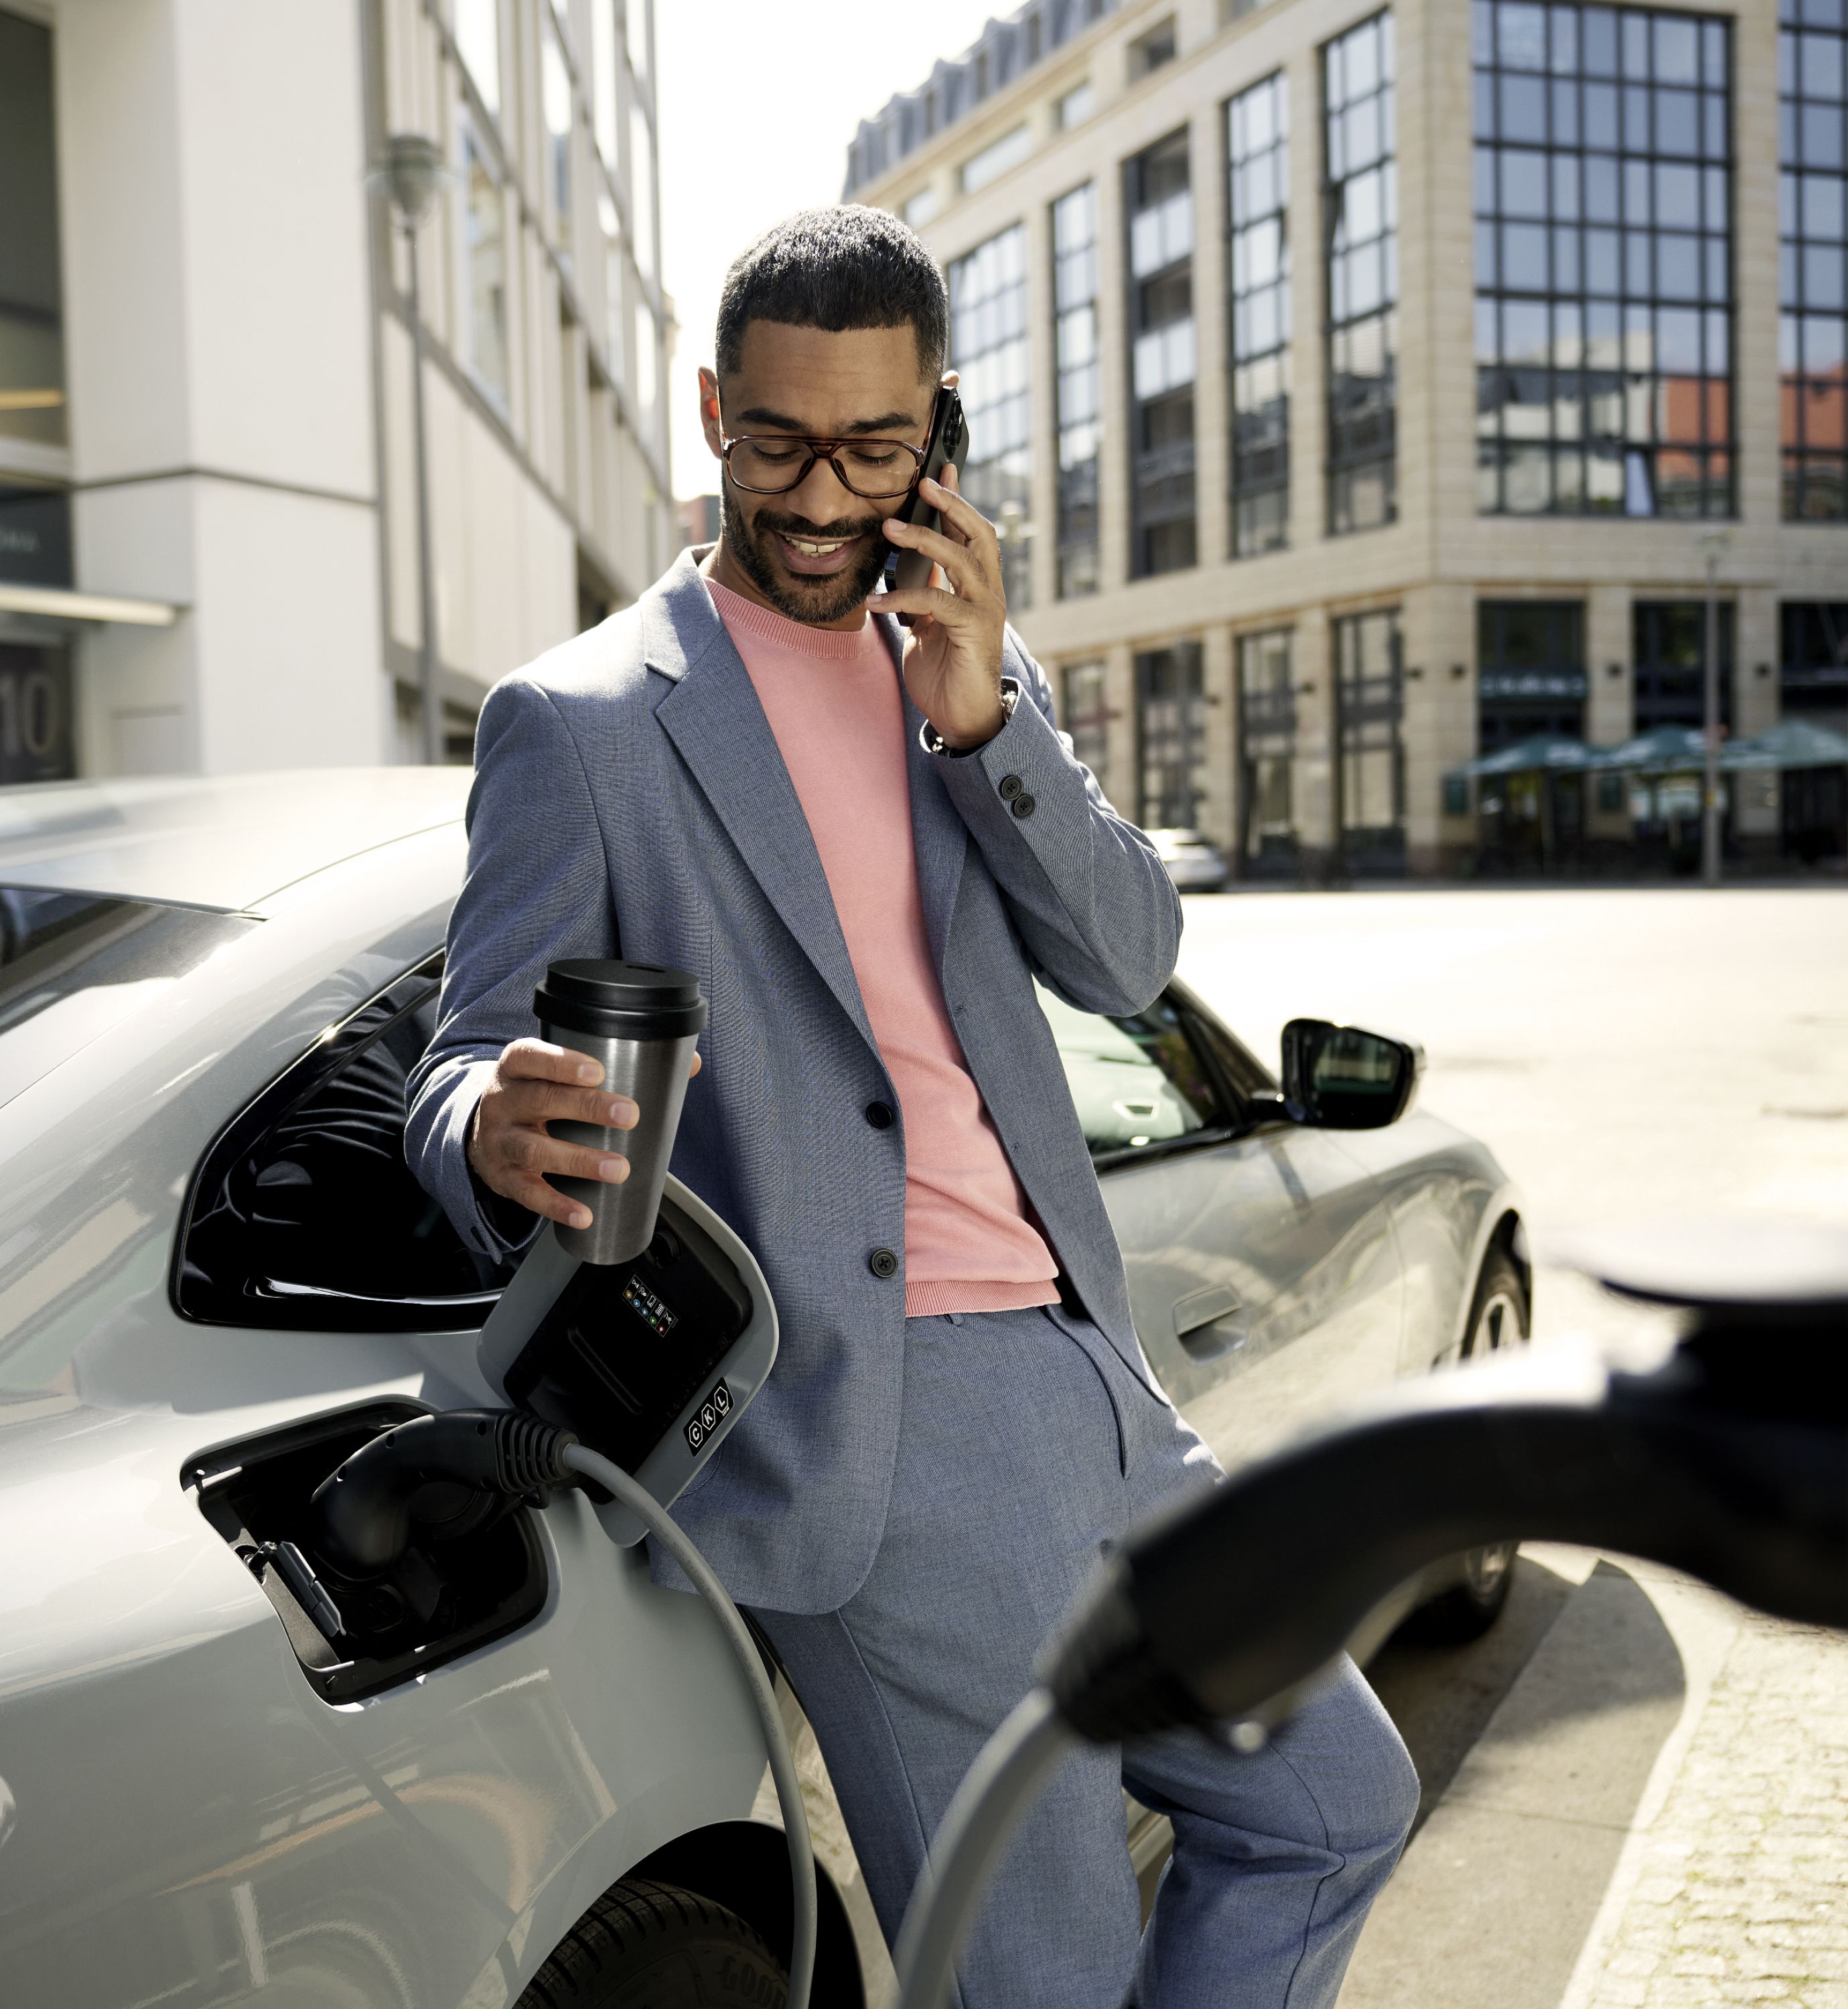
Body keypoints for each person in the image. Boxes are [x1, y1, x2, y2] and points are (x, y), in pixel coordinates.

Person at [407, 206, 1417, 2007]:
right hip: (871, 1420)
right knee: (1046, 1974)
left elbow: (1125, 962)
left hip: (1096, 1372)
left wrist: (987, 727)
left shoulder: (967, 659)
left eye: (874, 450)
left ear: (938, 431)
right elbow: (463, 1050)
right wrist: (489, 1121)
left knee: (1336, 1804)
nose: (816, 497)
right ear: (710, 409)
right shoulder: (582, 724)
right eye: (777, 442)